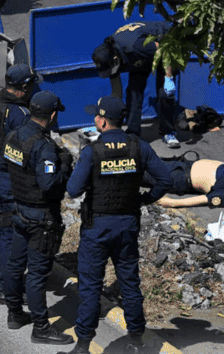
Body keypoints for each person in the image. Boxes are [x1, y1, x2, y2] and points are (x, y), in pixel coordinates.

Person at [63, 96, 174, 354]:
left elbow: (72, 190)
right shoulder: (139, 147)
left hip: (97, 228)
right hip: (127, 225)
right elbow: (165, 180)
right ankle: (136, 343)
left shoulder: (92, 152)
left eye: (95, 116)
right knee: (129, 284)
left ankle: (82, 347)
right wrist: (144, 199)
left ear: (102, 121)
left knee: (90, 287)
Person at [2, 91, 74, 346]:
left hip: (19, 210)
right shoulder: (44, 147)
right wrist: (64, 164)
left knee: (14, 264)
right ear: (52, 116)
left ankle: (14, 313)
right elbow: (50, 184)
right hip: (41, 218)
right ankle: (41, 328)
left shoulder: (14, 135)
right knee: (37, 274)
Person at [0, 64, 39, 304]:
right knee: (9, 234)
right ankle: (7, 287)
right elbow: (27, 149)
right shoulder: (19, 115)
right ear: (24, 87)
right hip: (11, 179)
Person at [91, 21, 180, 148]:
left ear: (115, 60)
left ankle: (168, 132)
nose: (110, 73)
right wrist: (112, 116)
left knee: (164, 94)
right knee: (133, 93)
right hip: (139, 58)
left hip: (163, 50)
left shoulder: (136, 46)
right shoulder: (109, 56)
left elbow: (164, 50)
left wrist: (169, 78)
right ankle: (133, 133)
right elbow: (117, 93)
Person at [147, 158, 224, 209]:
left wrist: (173, 203)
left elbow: (208, 199)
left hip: (180, 177)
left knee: (138, 171)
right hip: (184, 168)